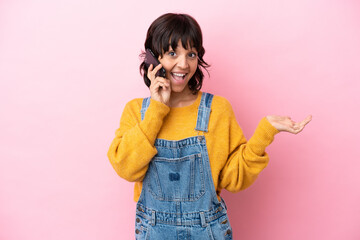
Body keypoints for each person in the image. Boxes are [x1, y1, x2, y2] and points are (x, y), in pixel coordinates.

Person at [107, 13, 311, 240]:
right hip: (154, 232)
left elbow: (233, 180)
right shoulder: (137, 112)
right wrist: (157, 109)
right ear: (153, 59)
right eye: (173, 53)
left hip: (208, 231)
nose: (183, 64)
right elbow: (126, 168)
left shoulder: (217, 109)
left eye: (191, 54)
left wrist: (264, 133)